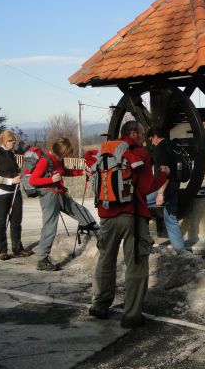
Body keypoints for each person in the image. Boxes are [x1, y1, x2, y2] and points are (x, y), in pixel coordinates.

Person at [89, 121, 169, 328]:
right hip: (132, 216)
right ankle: (132, 315)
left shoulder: (107, 151)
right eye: (142, 133)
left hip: (107, 216)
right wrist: (163, 175)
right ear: (133, 134)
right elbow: (145, 188)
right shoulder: (140, 154)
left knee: (105, 260)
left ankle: (99, 304)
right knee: (135, 264)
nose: (144, 137)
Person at [29, 137, 98, 272]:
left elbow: (65, 171)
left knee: (82, 212)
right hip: (49, 196)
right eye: (65, 154)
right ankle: (42, 260)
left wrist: (81, 172)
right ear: (60, 151)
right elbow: (33, 180)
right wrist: (50, 179)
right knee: (50, 227)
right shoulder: (45, 160)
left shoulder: (58, 159)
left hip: (60, 193)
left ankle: (100, 238)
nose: (66, 156)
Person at [0, 130, 33, 260]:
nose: (14, 145)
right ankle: (2, 250)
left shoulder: (11, 154)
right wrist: (10, 180)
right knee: (1, 222)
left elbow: (14, 169)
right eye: (12, 142)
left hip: (14, 191)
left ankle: (18, 248)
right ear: (6, 142)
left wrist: (18, 174)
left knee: (16, 222)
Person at [146, 127, 186, 252]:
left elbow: (165, 172)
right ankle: (181, 252)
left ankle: (145, 239)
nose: (151, 143)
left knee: (139, 204)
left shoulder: (160, 149)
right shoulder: (173, 145)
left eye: (151, 139)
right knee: (171, 219)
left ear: (155, 136)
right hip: (175, 185)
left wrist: (160, 193)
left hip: (165, 187)